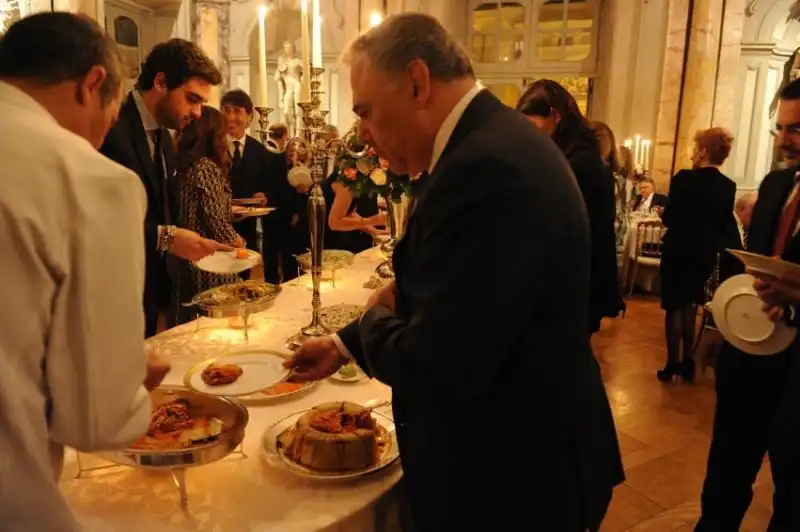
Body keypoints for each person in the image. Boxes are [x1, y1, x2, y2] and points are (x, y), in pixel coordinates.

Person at [284, 13, 623, 531]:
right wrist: (343, 344)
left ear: (418, 83)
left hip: (511, 479)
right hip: (528, 448)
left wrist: (372, 323)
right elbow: (454, 287)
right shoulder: (492, 141)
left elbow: (441, 364)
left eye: (368, 112)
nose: (366, 135)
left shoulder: (483, 169)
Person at [0, 13, 169, 531]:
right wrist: (129, 374)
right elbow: (99, 420)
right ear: (93, 83)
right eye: (111, 113)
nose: (99, 140)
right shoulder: (88, 177)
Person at [696, 78, 800, 531]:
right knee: (724, 477)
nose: (784, 141)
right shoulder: (776, 185)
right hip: (750, 356)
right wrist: (725, 330)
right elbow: (751, 274)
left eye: (796, 129)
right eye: (780, 129)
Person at [100, 38, 230, 337]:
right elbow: (99, 221)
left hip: (156, 293)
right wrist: (167, 238)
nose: (198, 113)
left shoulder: (165, 141)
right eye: (192, 99)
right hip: (116, 292)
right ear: (160, 82)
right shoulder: (112, 127)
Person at [516, 80, 624, 334]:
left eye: (533, 125)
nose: (530, 134)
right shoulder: (579, 154)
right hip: (579, 280)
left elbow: (561, 227)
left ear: (555, 115)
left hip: (576, 284)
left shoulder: (579, 163)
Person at [657, 128, 737, 383]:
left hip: (677, 251)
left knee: (673, 307)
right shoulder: (728, 187)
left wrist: (662, 214)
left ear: (702, 151)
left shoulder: (683, 179)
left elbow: (671, 217)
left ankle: (672, 362)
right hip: (702, 254)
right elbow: (724, 224)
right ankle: (689, 360)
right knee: (691, 304)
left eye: (694, 148)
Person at [173, 106, 245, 323]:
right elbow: (216, 223)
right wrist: (240, 243)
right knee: (217, 325)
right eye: (223, 133)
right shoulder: (207, 168)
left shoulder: (186, 165)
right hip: (211, 263)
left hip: (186, 257)